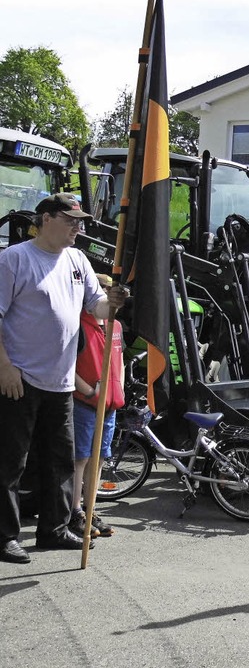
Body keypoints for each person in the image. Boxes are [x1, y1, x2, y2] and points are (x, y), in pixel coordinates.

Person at [0, 193, 128, 565]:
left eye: (80, 221)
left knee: (60, 460)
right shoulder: (14, 260)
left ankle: (54, 530)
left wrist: (114, 300)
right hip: (19, 378)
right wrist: (5, 367)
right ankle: (5, 535)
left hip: (61, 382)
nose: (78, 227)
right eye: (71, 220)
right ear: (46, 219)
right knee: (12, 462)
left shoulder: (77, 259)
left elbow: (98, 307)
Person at [69, 273, 126, 539]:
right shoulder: (77, 324)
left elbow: (119, 360)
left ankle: (90, 508)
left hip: (110, 404)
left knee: (100, 457)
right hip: (85, 403)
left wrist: (120, 387)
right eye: (101, 289)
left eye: (108, 289)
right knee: (80, 458)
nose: (105, 293)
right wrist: (90, 391)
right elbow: (67, 367)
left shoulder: (115, 326)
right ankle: (74, 510)